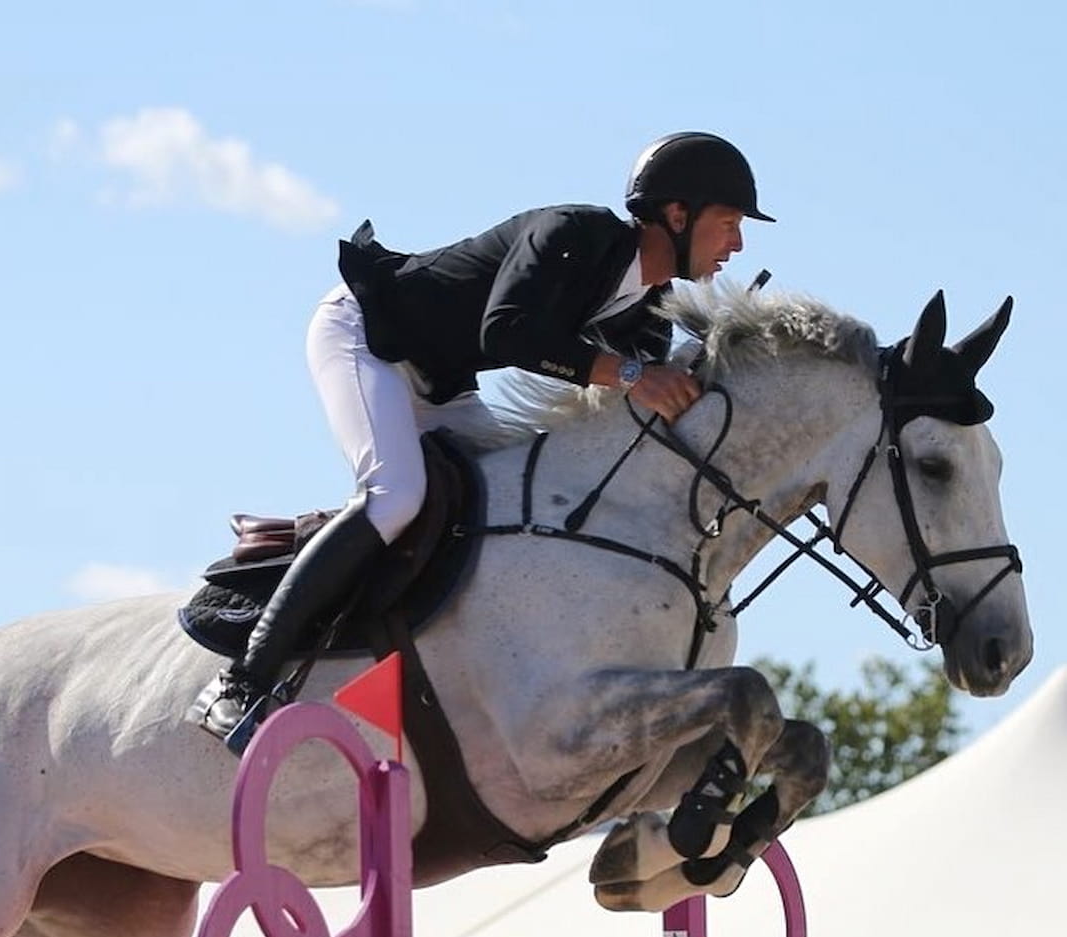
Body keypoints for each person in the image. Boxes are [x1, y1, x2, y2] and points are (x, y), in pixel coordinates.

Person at [193, 131, 773, 750]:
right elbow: (507, 333)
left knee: (514, 499)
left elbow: (627, 414)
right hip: (365, 334)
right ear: (677, 215)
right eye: (729, 222)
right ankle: (240, 682)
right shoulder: (574, 232)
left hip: (439, 379)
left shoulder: (649, 305)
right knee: (395, 495)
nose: (736, 244)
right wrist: (633, 376)